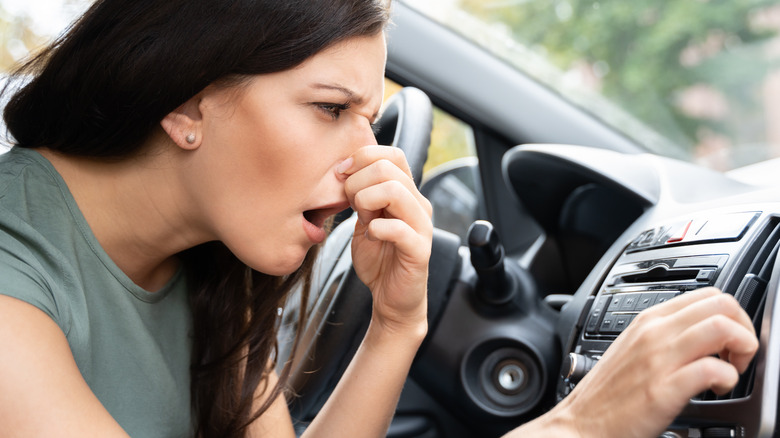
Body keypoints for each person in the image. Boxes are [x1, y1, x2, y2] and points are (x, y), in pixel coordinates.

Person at [0, 0, 758, 437]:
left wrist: (396, 326)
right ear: (188, 101)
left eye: (369, 118)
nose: (369, 162)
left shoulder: (211, 259)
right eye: (331, 109)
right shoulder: (11, 289)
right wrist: (578, 425)